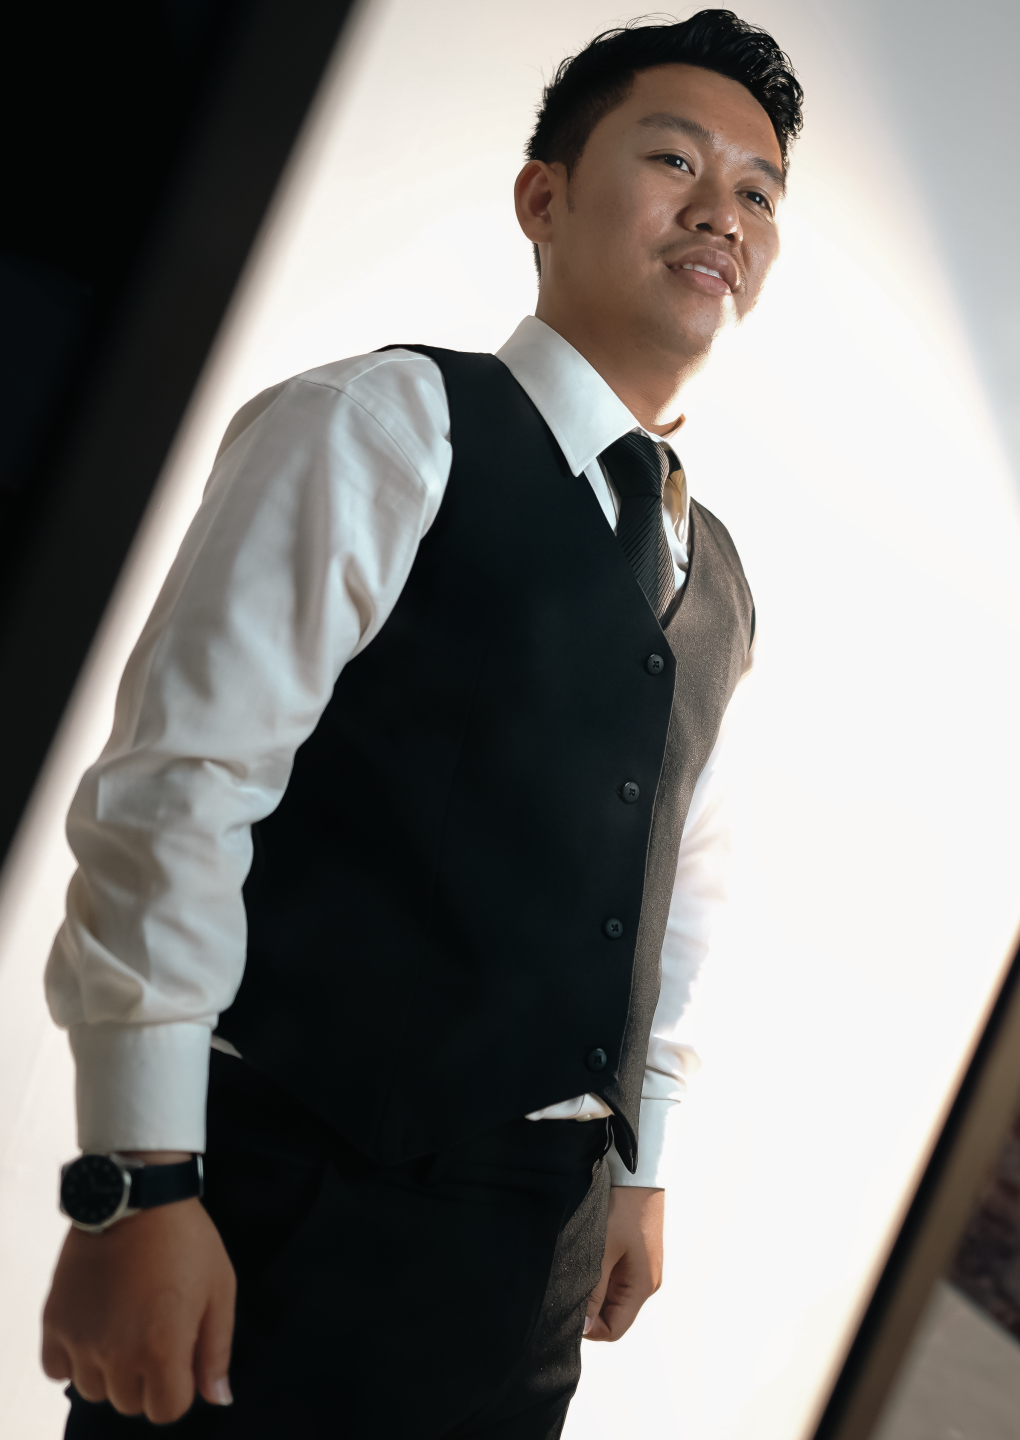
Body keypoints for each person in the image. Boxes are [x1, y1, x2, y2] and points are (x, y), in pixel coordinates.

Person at [41, 11, 802, 1438]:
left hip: (536, 1262)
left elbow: (676, 898)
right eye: (676, 161)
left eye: (759, 192)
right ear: (543, 198)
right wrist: (136, 1181)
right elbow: (178, 792)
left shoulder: (720, 579)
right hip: (294, 1212)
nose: (725, 213)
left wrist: (642, 1159)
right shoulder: (387, 425)